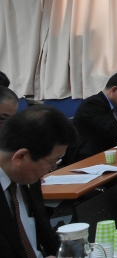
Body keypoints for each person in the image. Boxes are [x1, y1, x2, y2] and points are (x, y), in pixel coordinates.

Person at [0, 105, 78, 258]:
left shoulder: (28, 180)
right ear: (21, 157)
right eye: (52, 162)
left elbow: (46, 235)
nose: (50, 170)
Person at [71, 72, 117, 163]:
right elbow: (113, 130)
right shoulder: (92, 104)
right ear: (114, 90)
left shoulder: (107, 104)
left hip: (103, 151)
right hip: (88, 156)